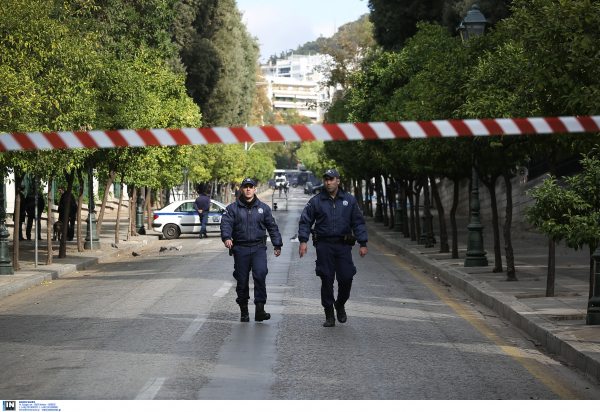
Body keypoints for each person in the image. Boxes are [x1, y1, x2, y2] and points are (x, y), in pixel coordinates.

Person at [298, 169, 368, 327]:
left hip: (343, 246)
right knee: (327, 279)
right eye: (326, 179)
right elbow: (305, 221)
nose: (328, 182)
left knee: (346, 278)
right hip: (324, 246)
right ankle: (329, 312)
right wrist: (303, 241)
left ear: (338, 181)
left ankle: (340, 304)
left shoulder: (349, 200)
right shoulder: (316, 201)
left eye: (331, 179)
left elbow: (357, 222)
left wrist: (363, 243)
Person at [221, 178, 283, 322]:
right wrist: (226, 237)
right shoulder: (232, 208)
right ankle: (244, 310)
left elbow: (272, 227)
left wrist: (277, 244)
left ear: (255, 189)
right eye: (245, 187)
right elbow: (226, 224)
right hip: (240, 248)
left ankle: (260, 310)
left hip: (258, 248)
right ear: (241, 189)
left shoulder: (264, 208)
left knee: (260, 276)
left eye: (251, 187)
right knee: (242, 280)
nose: (248, 189)